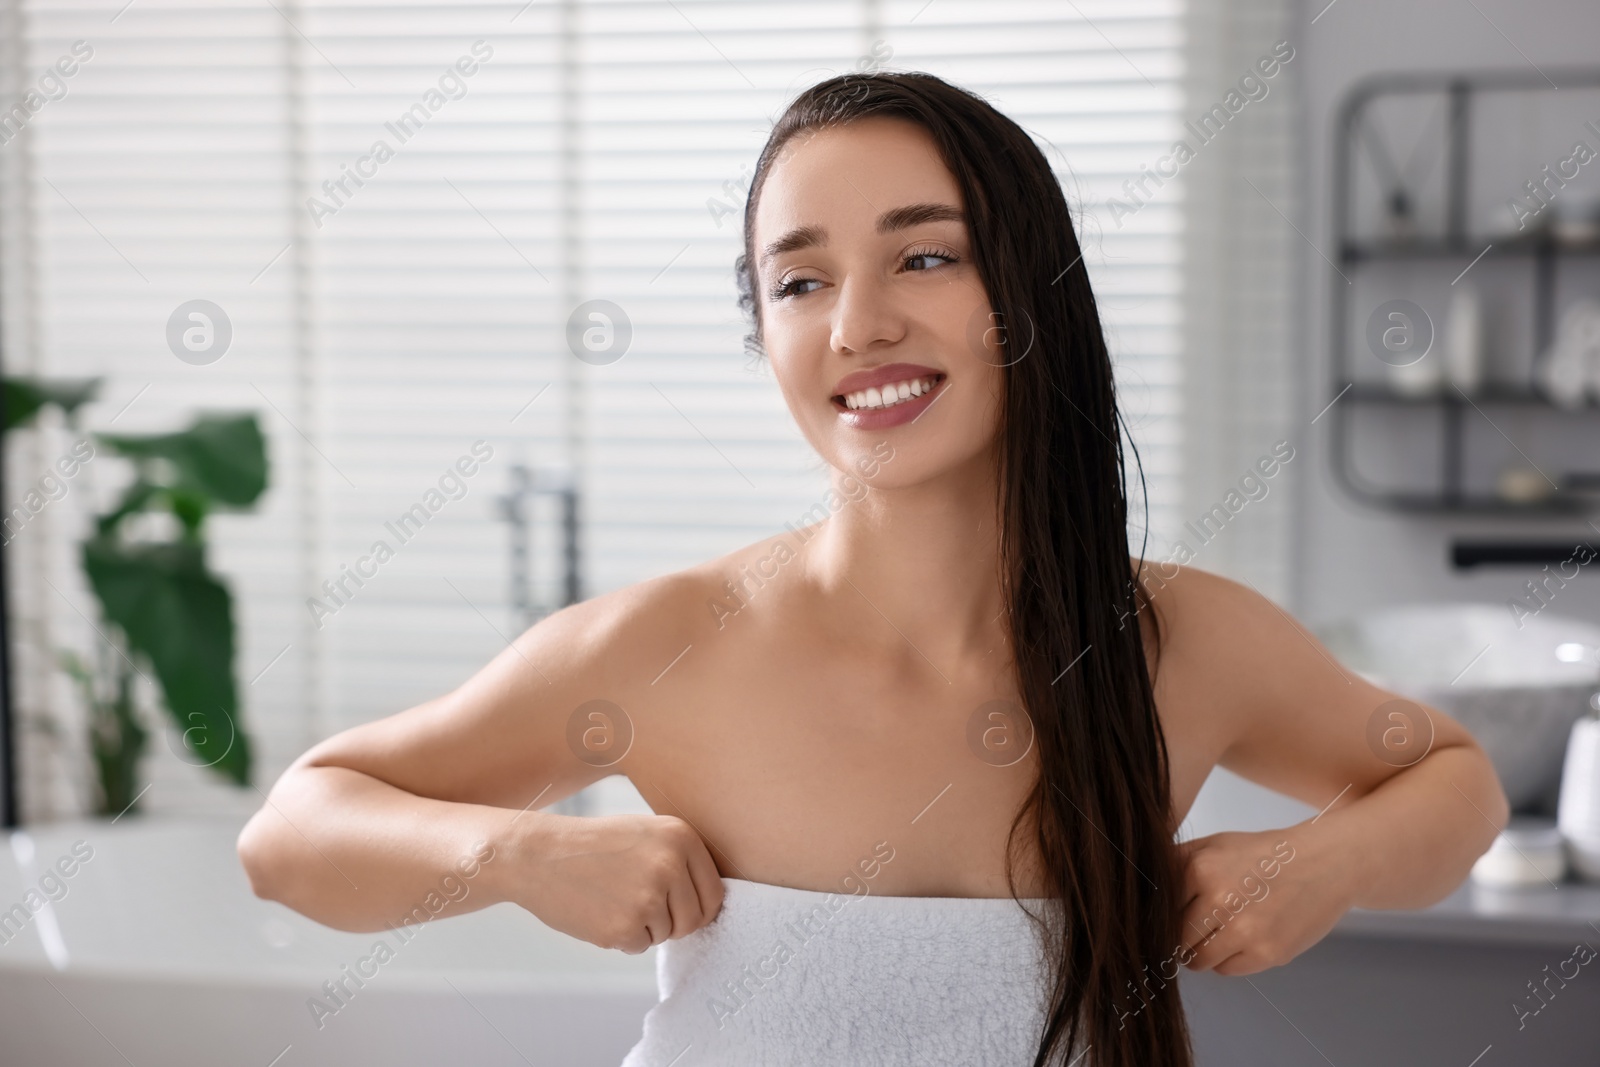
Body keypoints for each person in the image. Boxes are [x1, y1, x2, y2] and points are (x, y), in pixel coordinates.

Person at [237, 71, 1509, 1067]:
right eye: (799, 281)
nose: (858, 324)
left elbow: (1455, 780)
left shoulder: (1180, 641)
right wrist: (517, 856)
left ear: (1031, 292)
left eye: (925, 254)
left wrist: (1324, 864)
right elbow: (293, 830)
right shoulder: (665, 647)